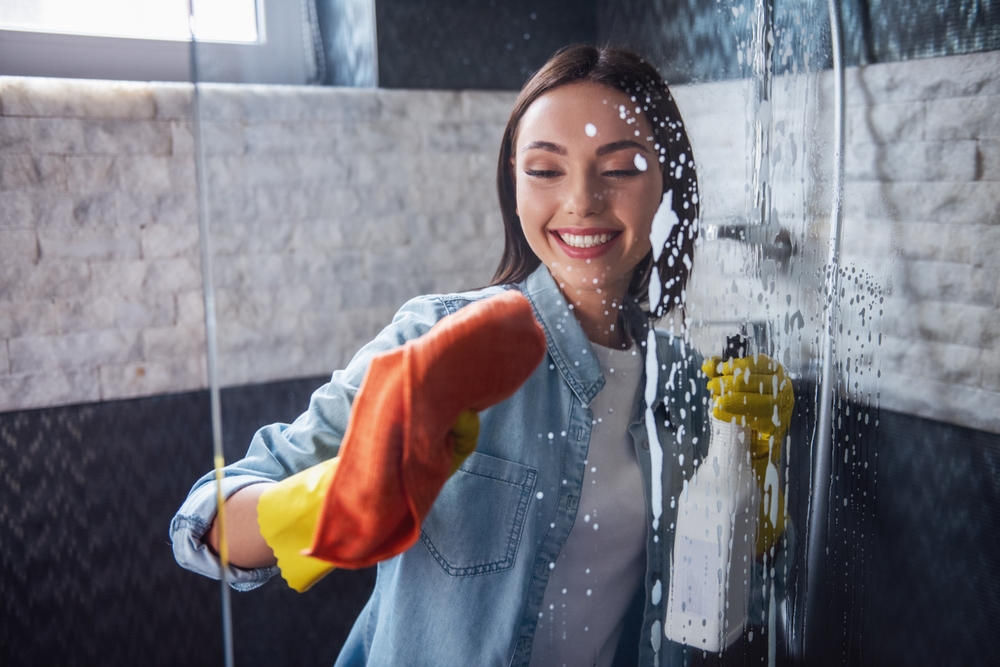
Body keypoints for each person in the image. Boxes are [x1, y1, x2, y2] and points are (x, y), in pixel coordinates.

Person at [171, 44, 791, 667]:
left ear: (667, 186)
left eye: (622, 167)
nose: (582, 201)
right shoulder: (439, 339)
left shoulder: (684, 382)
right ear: (514, 188)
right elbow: (208, 521)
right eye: (546, 170)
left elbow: (708, 593)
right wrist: (338, 501)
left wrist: (756, 477)